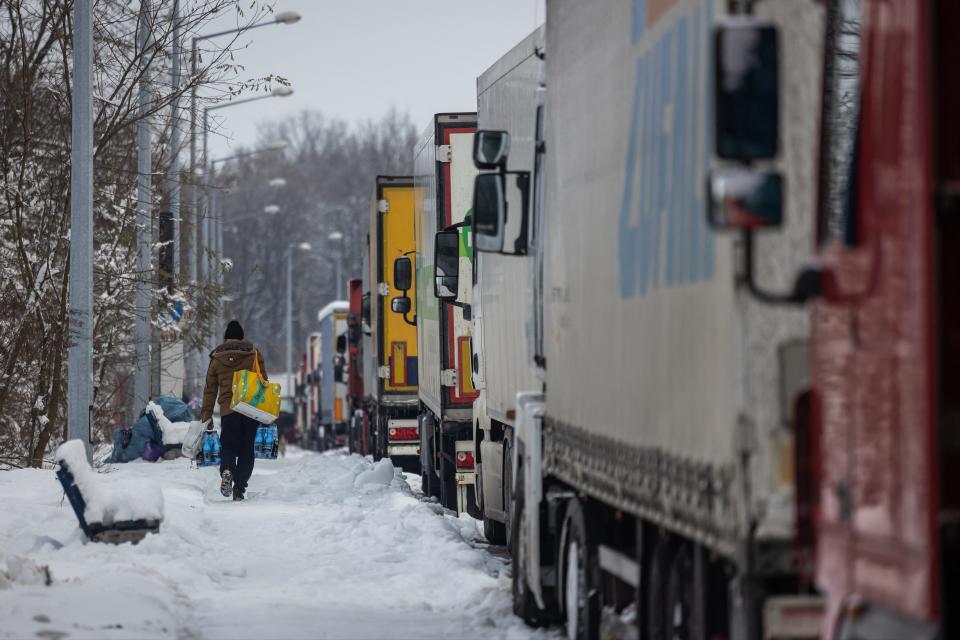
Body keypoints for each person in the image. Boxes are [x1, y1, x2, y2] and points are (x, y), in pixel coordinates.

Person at [200, 320, 268, 501]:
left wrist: (206, 414)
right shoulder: (254, 354)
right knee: (247, 450)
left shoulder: (216, 358)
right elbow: (264, 383)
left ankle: (228, 470)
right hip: (249, 409)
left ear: (226, 338)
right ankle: (239, 489)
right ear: (242, 337)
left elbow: (210, 389)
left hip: (228, 410)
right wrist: (266, 412)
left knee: (228, 445)